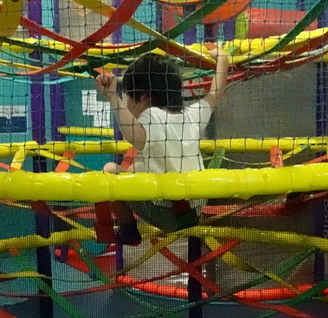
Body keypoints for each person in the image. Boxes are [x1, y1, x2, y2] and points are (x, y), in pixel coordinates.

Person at [95, 47, 230, 230]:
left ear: (142, 96)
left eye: (127, 97)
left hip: (168, 215)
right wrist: (223, 60)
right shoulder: (191, 114)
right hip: (195, 208)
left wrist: (112, 97)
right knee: (137, 166)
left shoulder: (152, 116)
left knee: (110, 170)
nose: (126, 103)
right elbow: (215, 94)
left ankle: (127, 229)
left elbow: (133, 134)